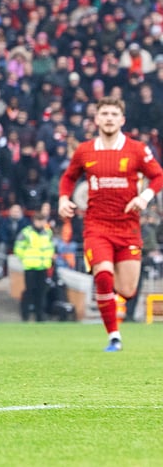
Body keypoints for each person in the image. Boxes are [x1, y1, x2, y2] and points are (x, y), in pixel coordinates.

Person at [58, 97, 163, 352]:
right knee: (103, 275)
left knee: (126, 290)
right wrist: (63, 199)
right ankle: (114, 336)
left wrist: (144, 196)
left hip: (128, 228)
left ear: (122, 119)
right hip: (97, 226)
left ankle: (110, 287)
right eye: (104, 113)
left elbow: (158, 175)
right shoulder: (85, 150)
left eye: (114, 114)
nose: (108, 118)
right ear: (96, 119)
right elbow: (68, 177)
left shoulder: (137, 149)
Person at [14, 211, 55, 322]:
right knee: (29, 291)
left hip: (43, 266)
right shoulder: (26, 233)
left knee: (41, 292)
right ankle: (25, 315)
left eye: (42, 221)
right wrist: (25, 258)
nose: (40, 223)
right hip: (30, 266)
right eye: (39, 220)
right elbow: (18, 248)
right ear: (34, 221)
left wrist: (48, 260)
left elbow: (50, 248)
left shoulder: (48, 233)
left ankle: (40, 316)